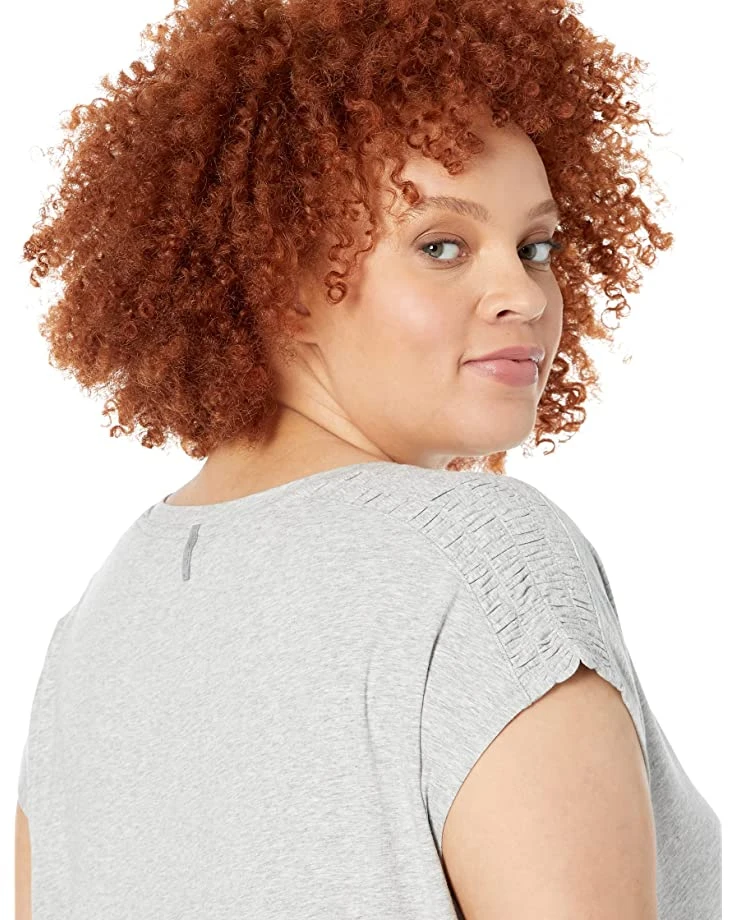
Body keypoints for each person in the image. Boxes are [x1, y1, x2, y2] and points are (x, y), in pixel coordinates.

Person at [16, 0, 721, 918]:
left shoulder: (92, 635)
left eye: (536, 246)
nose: (523, 293)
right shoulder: (484, 560)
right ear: (284, 281)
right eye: (442, 246)